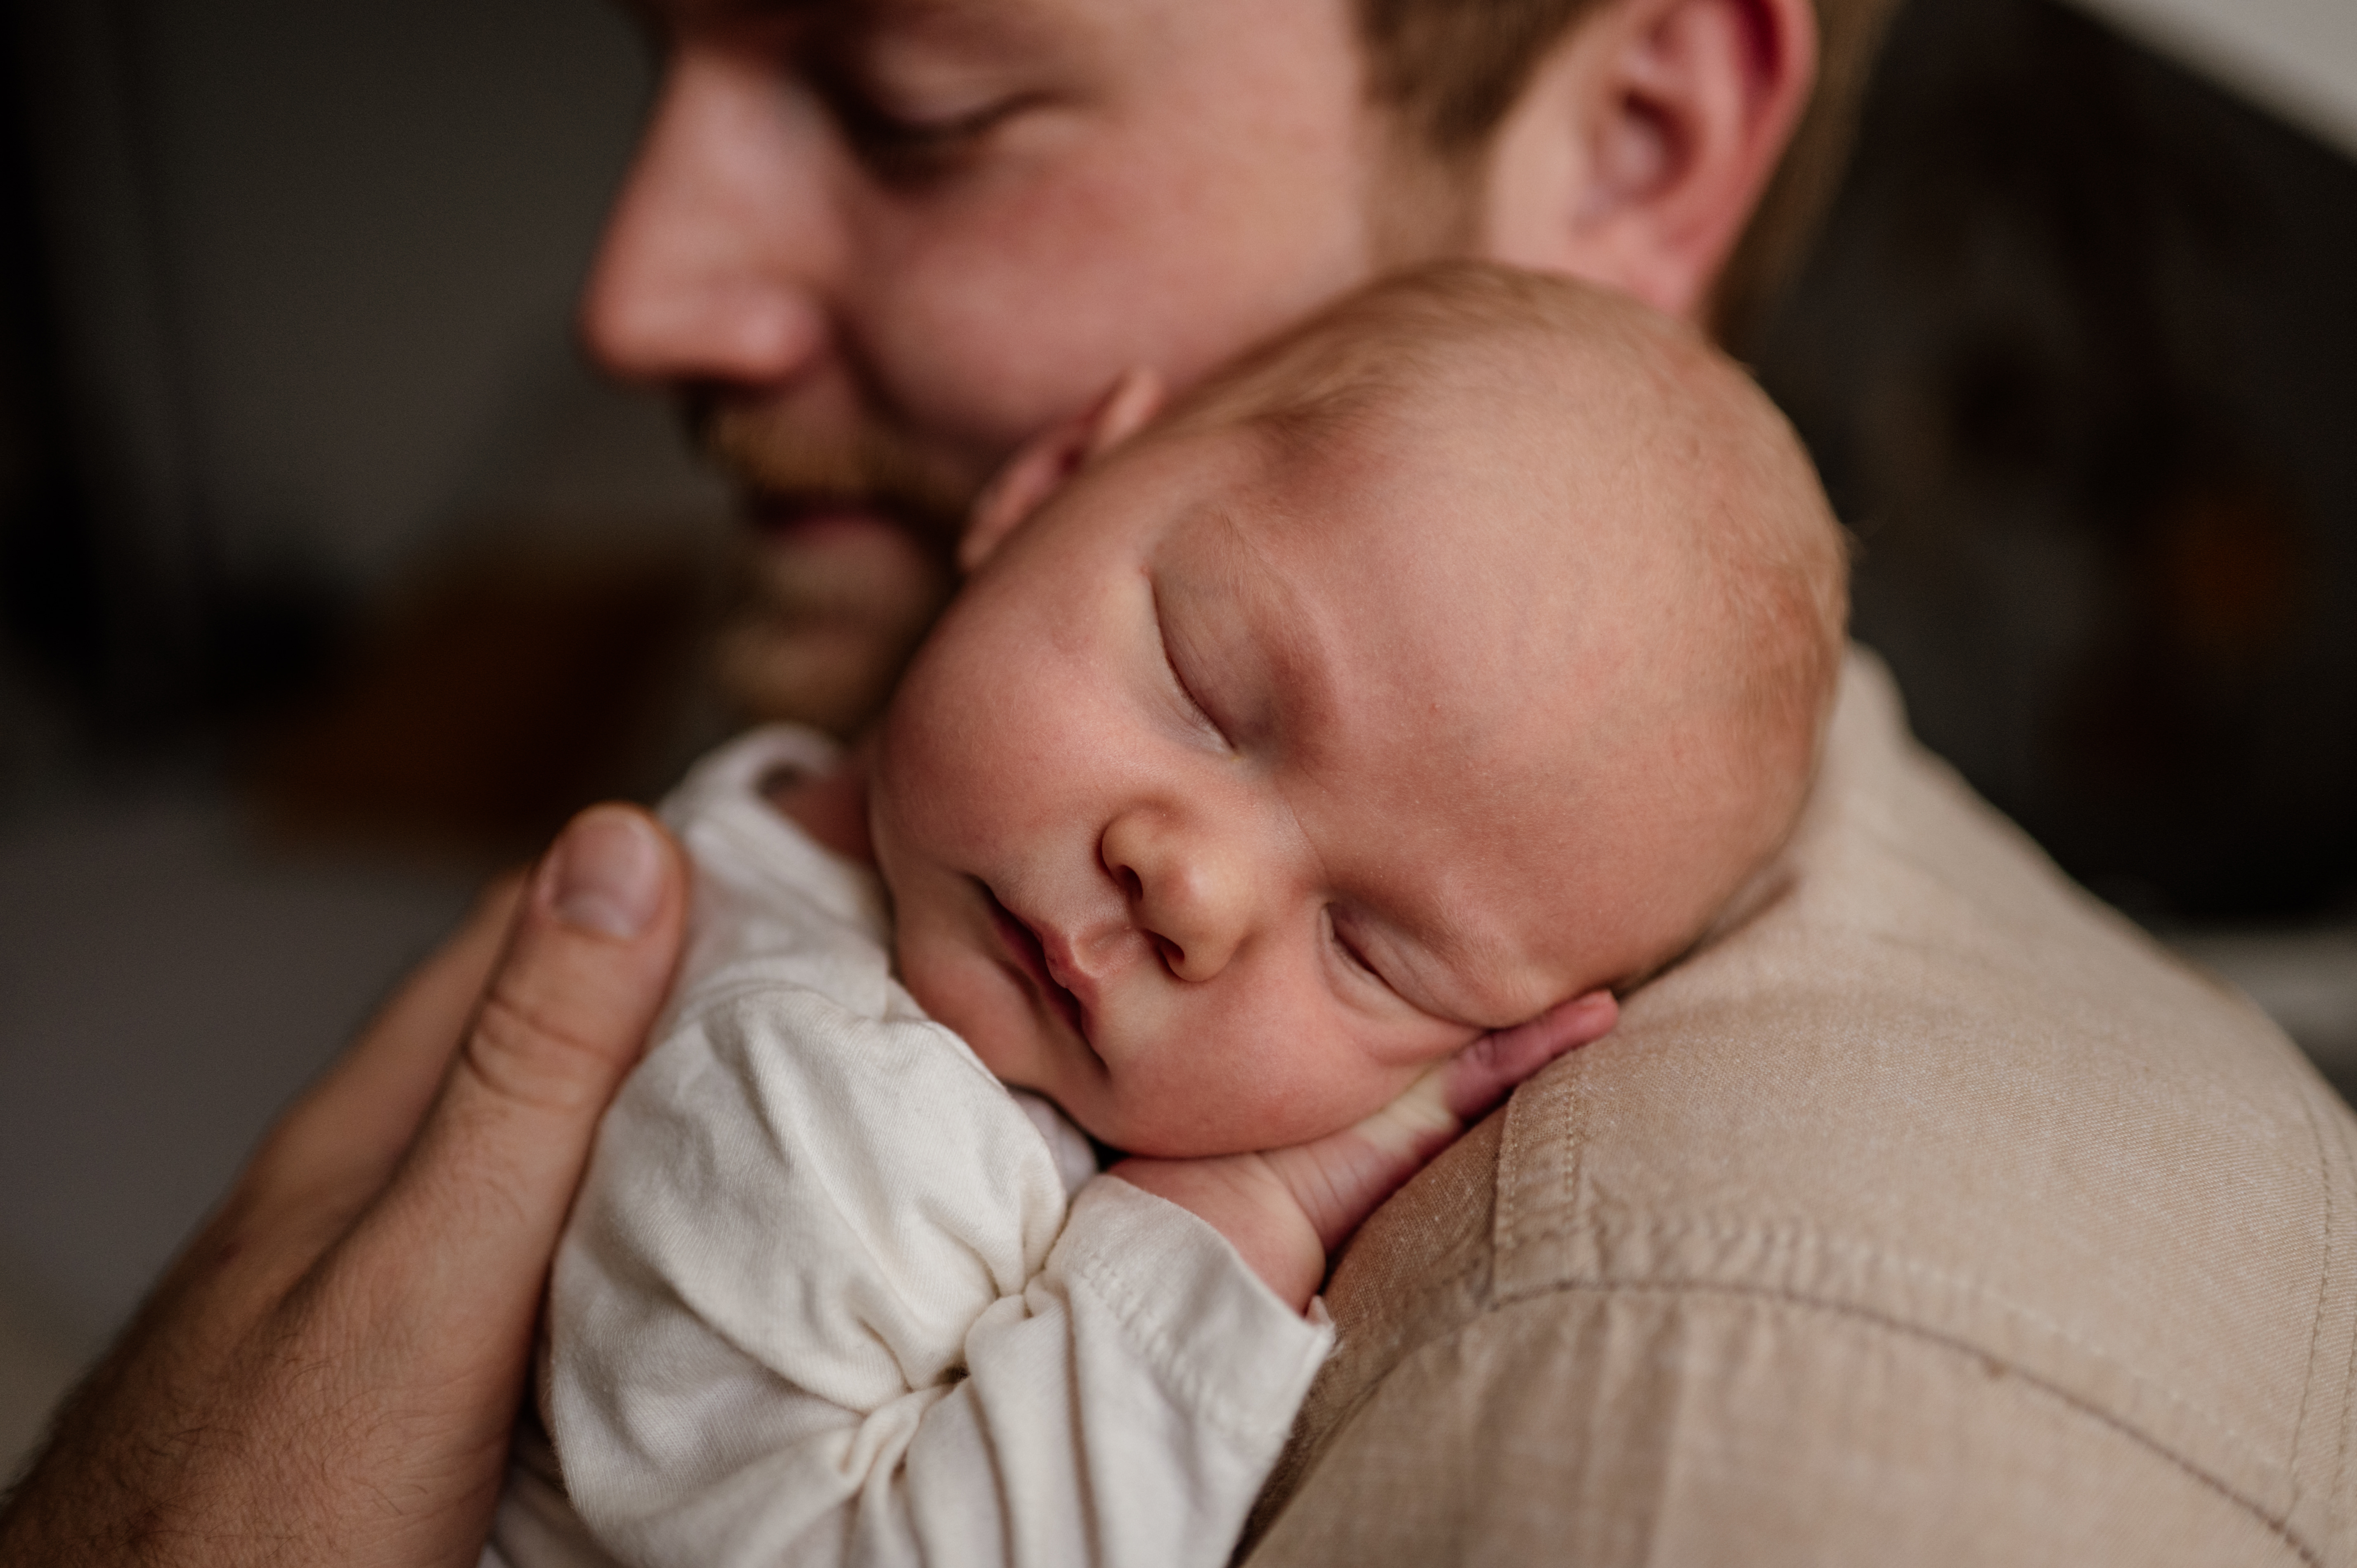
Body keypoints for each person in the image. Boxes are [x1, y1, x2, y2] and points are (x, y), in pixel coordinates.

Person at [7, 0, 2349, 1560]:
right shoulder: (856, 889)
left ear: (1631, 137)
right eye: (1207, 679)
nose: (633, 300)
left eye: (923, 101)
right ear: (1066, 482)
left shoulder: (1784, 1308)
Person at [493, 266, 1847, 1568]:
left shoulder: (789, 837)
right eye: (1203, 689)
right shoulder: (812, 1106)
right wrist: (1233, 1222)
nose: (1194, 893)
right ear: (1050, 480)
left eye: (1368, 951)